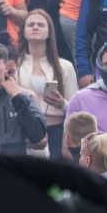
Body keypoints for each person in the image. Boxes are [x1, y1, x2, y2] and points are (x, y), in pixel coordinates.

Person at [18, 10, 78, 159]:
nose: (35, 27)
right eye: (30, 24)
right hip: (25, 132)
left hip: (57, 132)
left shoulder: (65, 66)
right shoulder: (15, 66)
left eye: (40, 25)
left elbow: (77, 108)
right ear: (24, 32)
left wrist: (62, 103)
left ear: (49, 32)